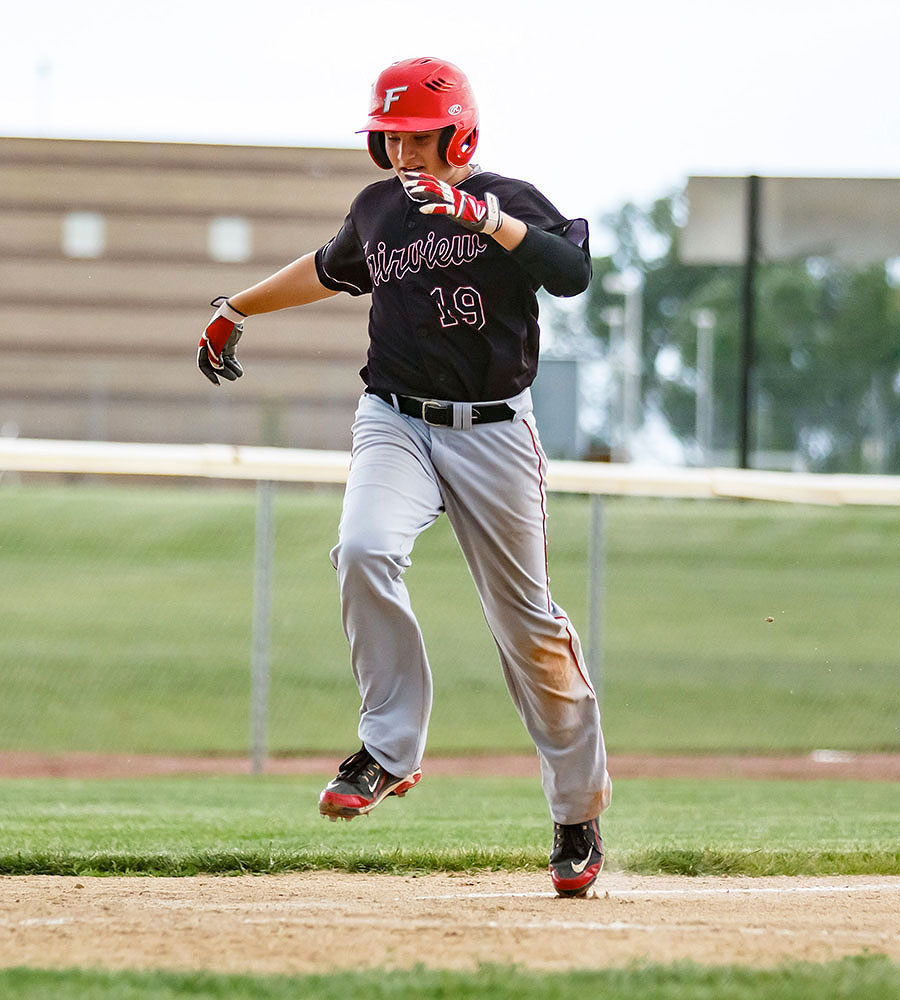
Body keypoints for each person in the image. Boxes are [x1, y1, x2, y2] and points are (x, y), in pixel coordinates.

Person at [197, 56, 612, 897]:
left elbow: (571, 276)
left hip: (494, 432)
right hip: (394, 418)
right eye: (389, 137)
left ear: (458, 131)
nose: (401, 151)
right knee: (361, 549)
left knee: (528, 626)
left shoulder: (509, 200)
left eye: (416, 135)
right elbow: (325, 267)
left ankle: (576, 814)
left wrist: (485, 219)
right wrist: (236, 307)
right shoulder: (380, 208)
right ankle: (387, 750)